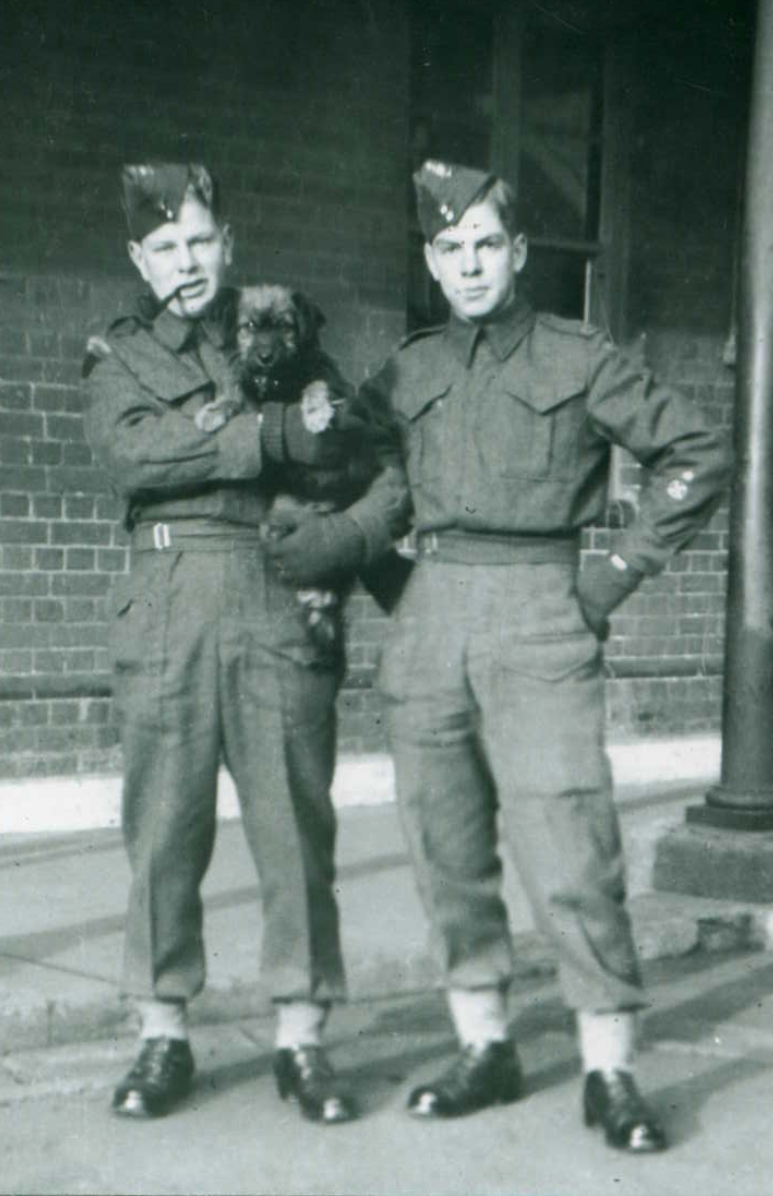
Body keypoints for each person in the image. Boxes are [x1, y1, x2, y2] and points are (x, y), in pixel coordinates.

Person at [264, 159, 732, 1152]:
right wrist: (378, 571)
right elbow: (354, 470)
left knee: (570, 844)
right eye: (450, 247)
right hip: (431, 616)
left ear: (518, 251)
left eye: (486, 243)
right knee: (446, 846)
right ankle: (485, 1044)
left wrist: (606, 581)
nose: (469, 263)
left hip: (540, 612)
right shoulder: (408, 369)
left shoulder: (578, 353)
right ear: (430, 261)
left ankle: (609, 1068)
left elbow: (695, 454)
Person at [83, 162, 397, 1124]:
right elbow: (133, 453)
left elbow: (359, 446)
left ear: (228, 243)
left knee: (295, 827)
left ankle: (301, 1037)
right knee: (163, 832)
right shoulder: (121, 354)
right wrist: (270, 437)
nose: (184, 262)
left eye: (198, 241)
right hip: (169, 601)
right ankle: (161, 1034)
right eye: (163, 247)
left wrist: (337, 513)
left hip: (276, 591)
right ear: (139, 258)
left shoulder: (286, 333)